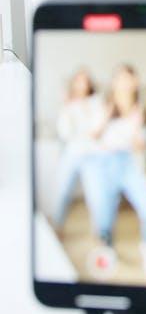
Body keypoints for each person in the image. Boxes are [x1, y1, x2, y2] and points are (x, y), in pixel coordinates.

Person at [81, 64, 146, 278]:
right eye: (120, 78)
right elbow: (92, 136)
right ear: (114, 82)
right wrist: (107, 114)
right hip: (102, 163)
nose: (125, 82)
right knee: (104, 218)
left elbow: (140, 146)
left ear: (135, 83)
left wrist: (137, 125)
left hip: (127, 163)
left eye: (129, 78)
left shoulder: (139, 109)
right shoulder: (101, 104)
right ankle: (107, 249)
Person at [53, 68, 103, 228]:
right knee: (62, 193)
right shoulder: (68, 104)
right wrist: (67, 106)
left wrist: (84, 109)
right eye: (79, 80)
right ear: (73, 83)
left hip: (91, 155)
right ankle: (57, 227)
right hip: (72, 154)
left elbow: (96, 130)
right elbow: (65, 133)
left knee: (96, 197)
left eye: (85, 80)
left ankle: (101, 234)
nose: (82, 84)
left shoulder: (96, 102)